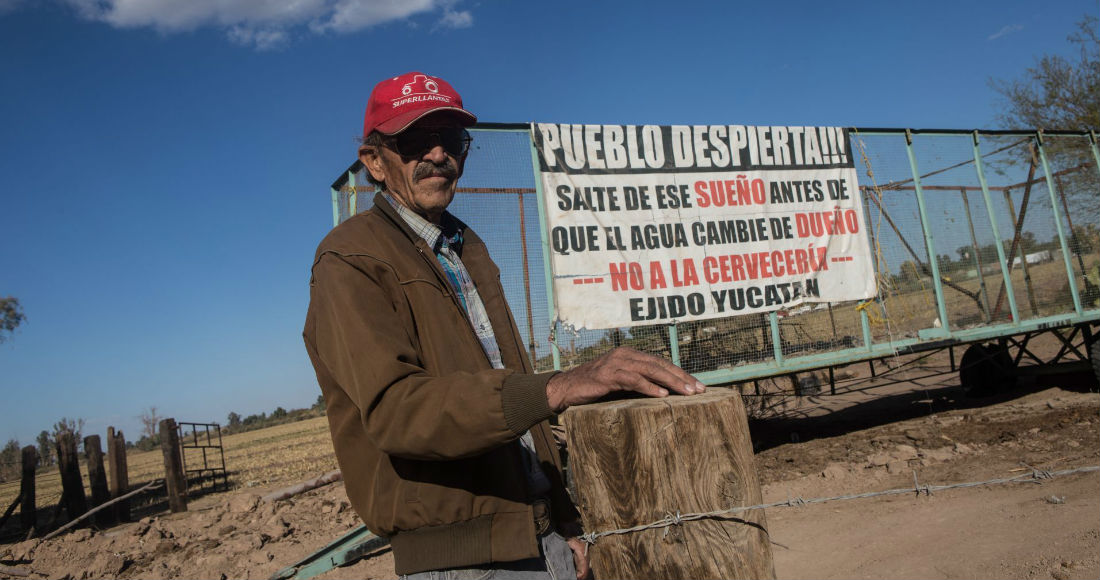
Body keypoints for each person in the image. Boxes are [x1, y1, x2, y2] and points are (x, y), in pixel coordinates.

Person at [303, 71, 704, 579]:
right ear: (375, 162)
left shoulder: (464, 245)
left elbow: (512, 396)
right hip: (464, 562)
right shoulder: (349, 259)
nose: (437, 154)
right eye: (414, 141)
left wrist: (563, 521)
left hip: (538, 538)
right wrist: (560, 386)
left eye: (449, 139)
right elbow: (398, 413)